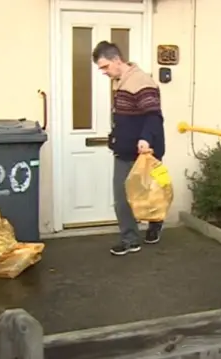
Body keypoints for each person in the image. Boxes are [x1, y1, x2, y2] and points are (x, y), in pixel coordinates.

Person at [91, 40, 166, 256]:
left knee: (150, 195)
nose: (103, 72)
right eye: (100, 68)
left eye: (105, 66)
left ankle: (155, 224)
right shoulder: (120, 81)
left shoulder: (141, 81)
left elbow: (153, 115)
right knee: (122, 197)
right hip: (124, 151)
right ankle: (130, 240)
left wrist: (145, 139)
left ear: (117, 60)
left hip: (146, 151)